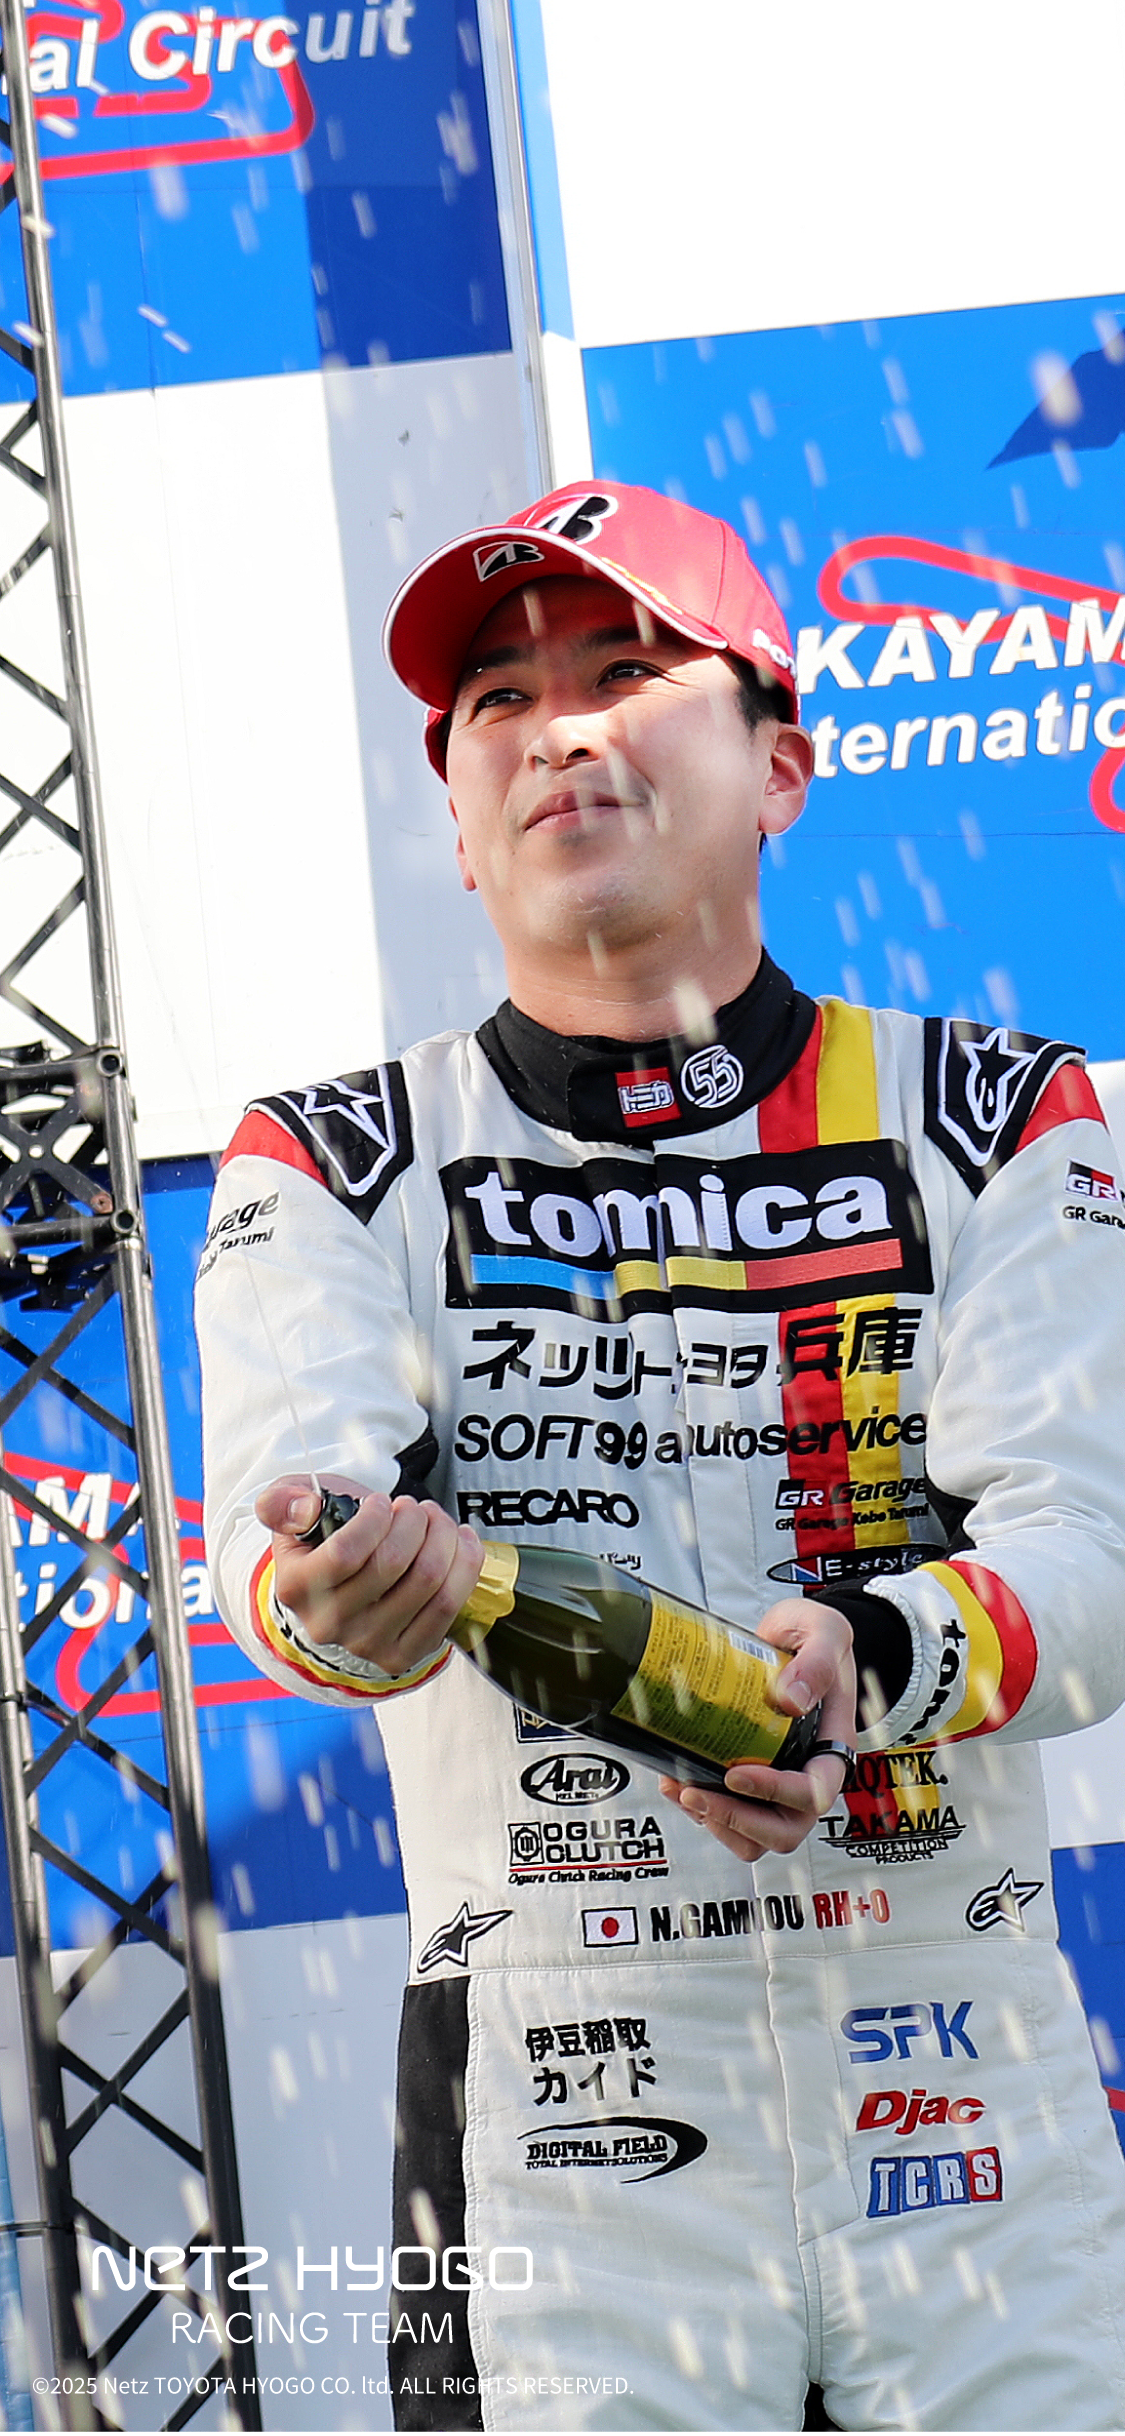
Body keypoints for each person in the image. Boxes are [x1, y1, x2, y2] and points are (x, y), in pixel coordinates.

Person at [197, 482, 1125, 2434]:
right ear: (458, 820)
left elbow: (1095, 1552)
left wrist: (865, 1662)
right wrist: (340, 1590)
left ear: (778, 764)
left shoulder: (997, 1113)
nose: (559, 729)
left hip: (961, 2077)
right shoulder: (335, 1161)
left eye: (627, 672)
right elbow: (279, 1570)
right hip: (550, 2107)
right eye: (498, 702)